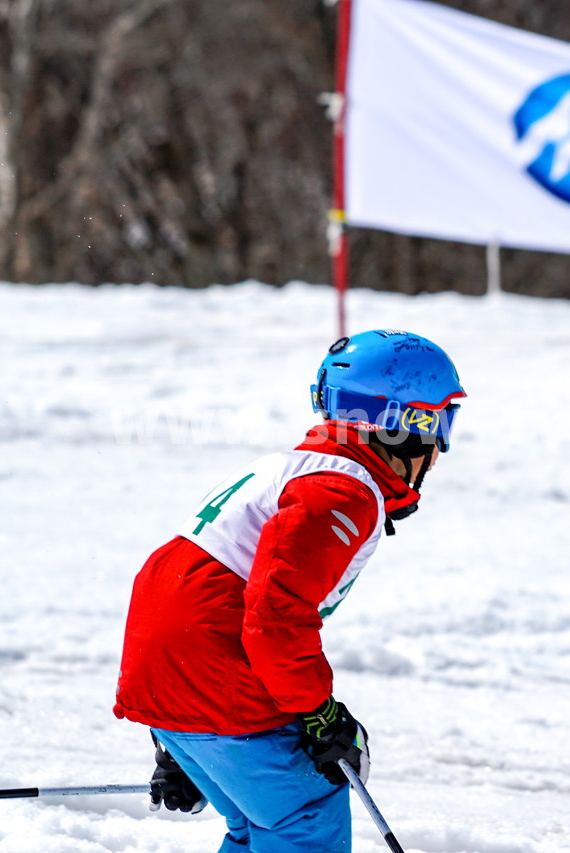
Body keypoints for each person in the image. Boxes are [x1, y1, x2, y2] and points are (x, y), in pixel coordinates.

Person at [114, 330, 466, 852]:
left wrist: (178, 735)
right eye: (440, 422)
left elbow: (175, 588)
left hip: (170, 670)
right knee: (306, 822)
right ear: (401, 424)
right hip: (215, 673)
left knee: (260, 826)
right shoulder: (339, 491)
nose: (439, 450)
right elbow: (276, 617)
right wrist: (320, 713)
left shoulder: (295, 468)